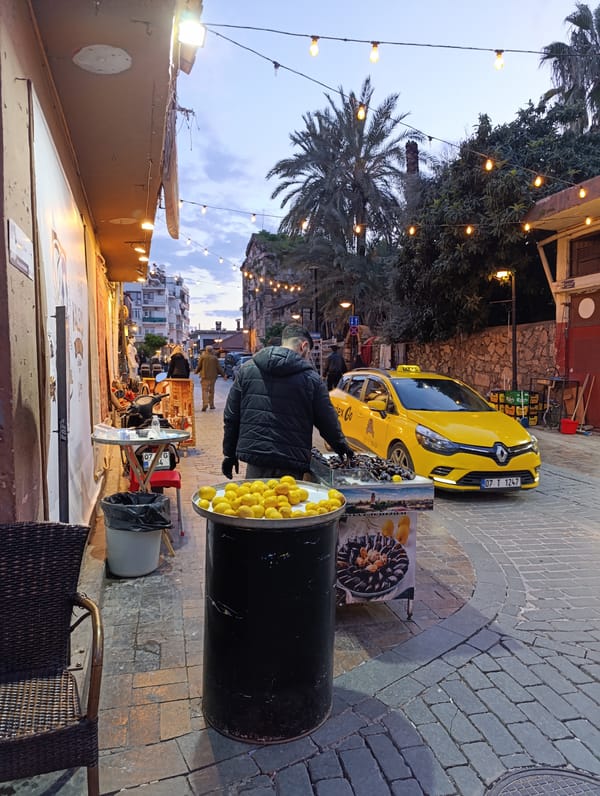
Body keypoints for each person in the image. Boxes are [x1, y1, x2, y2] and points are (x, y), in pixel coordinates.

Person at [222, 323, 354, 480]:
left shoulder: (247, 370)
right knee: (287, 503)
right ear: (303, 346)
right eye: (308, 352)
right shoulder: (311, 379)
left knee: (255, 501)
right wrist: (341, 446)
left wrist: (229, 454)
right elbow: (327, 420)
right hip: (291, 463)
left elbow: (231, 417)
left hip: (257, 459)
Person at [195, 345, 226, 411]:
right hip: (213, 377)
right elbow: (219, 368)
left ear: (206, 350)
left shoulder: (203, 357)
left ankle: (205, 403)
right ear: (212, 350)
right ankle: (211, 404)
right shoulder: (214, 358)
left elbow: (199, 366)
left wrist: (196, 371)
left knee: (205, 390)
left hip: (204, 376)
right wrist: (223, 375)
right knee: (211, 391)